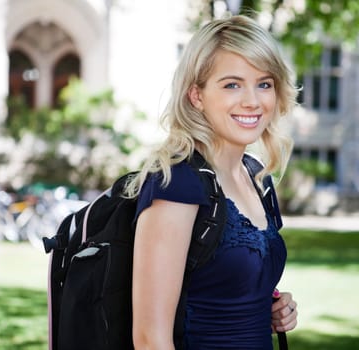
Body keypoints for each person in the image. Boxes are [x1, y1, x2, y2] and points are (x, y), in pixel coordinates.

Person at [124, 14, 298, 349]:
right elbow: (149, 338)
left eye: (264, 83)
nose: (252, 100)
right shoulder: (176, 184)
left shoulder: (257, 177)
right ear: (196, 96)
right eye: (232, 84)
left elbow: (231, 286)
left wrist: (275, 308)